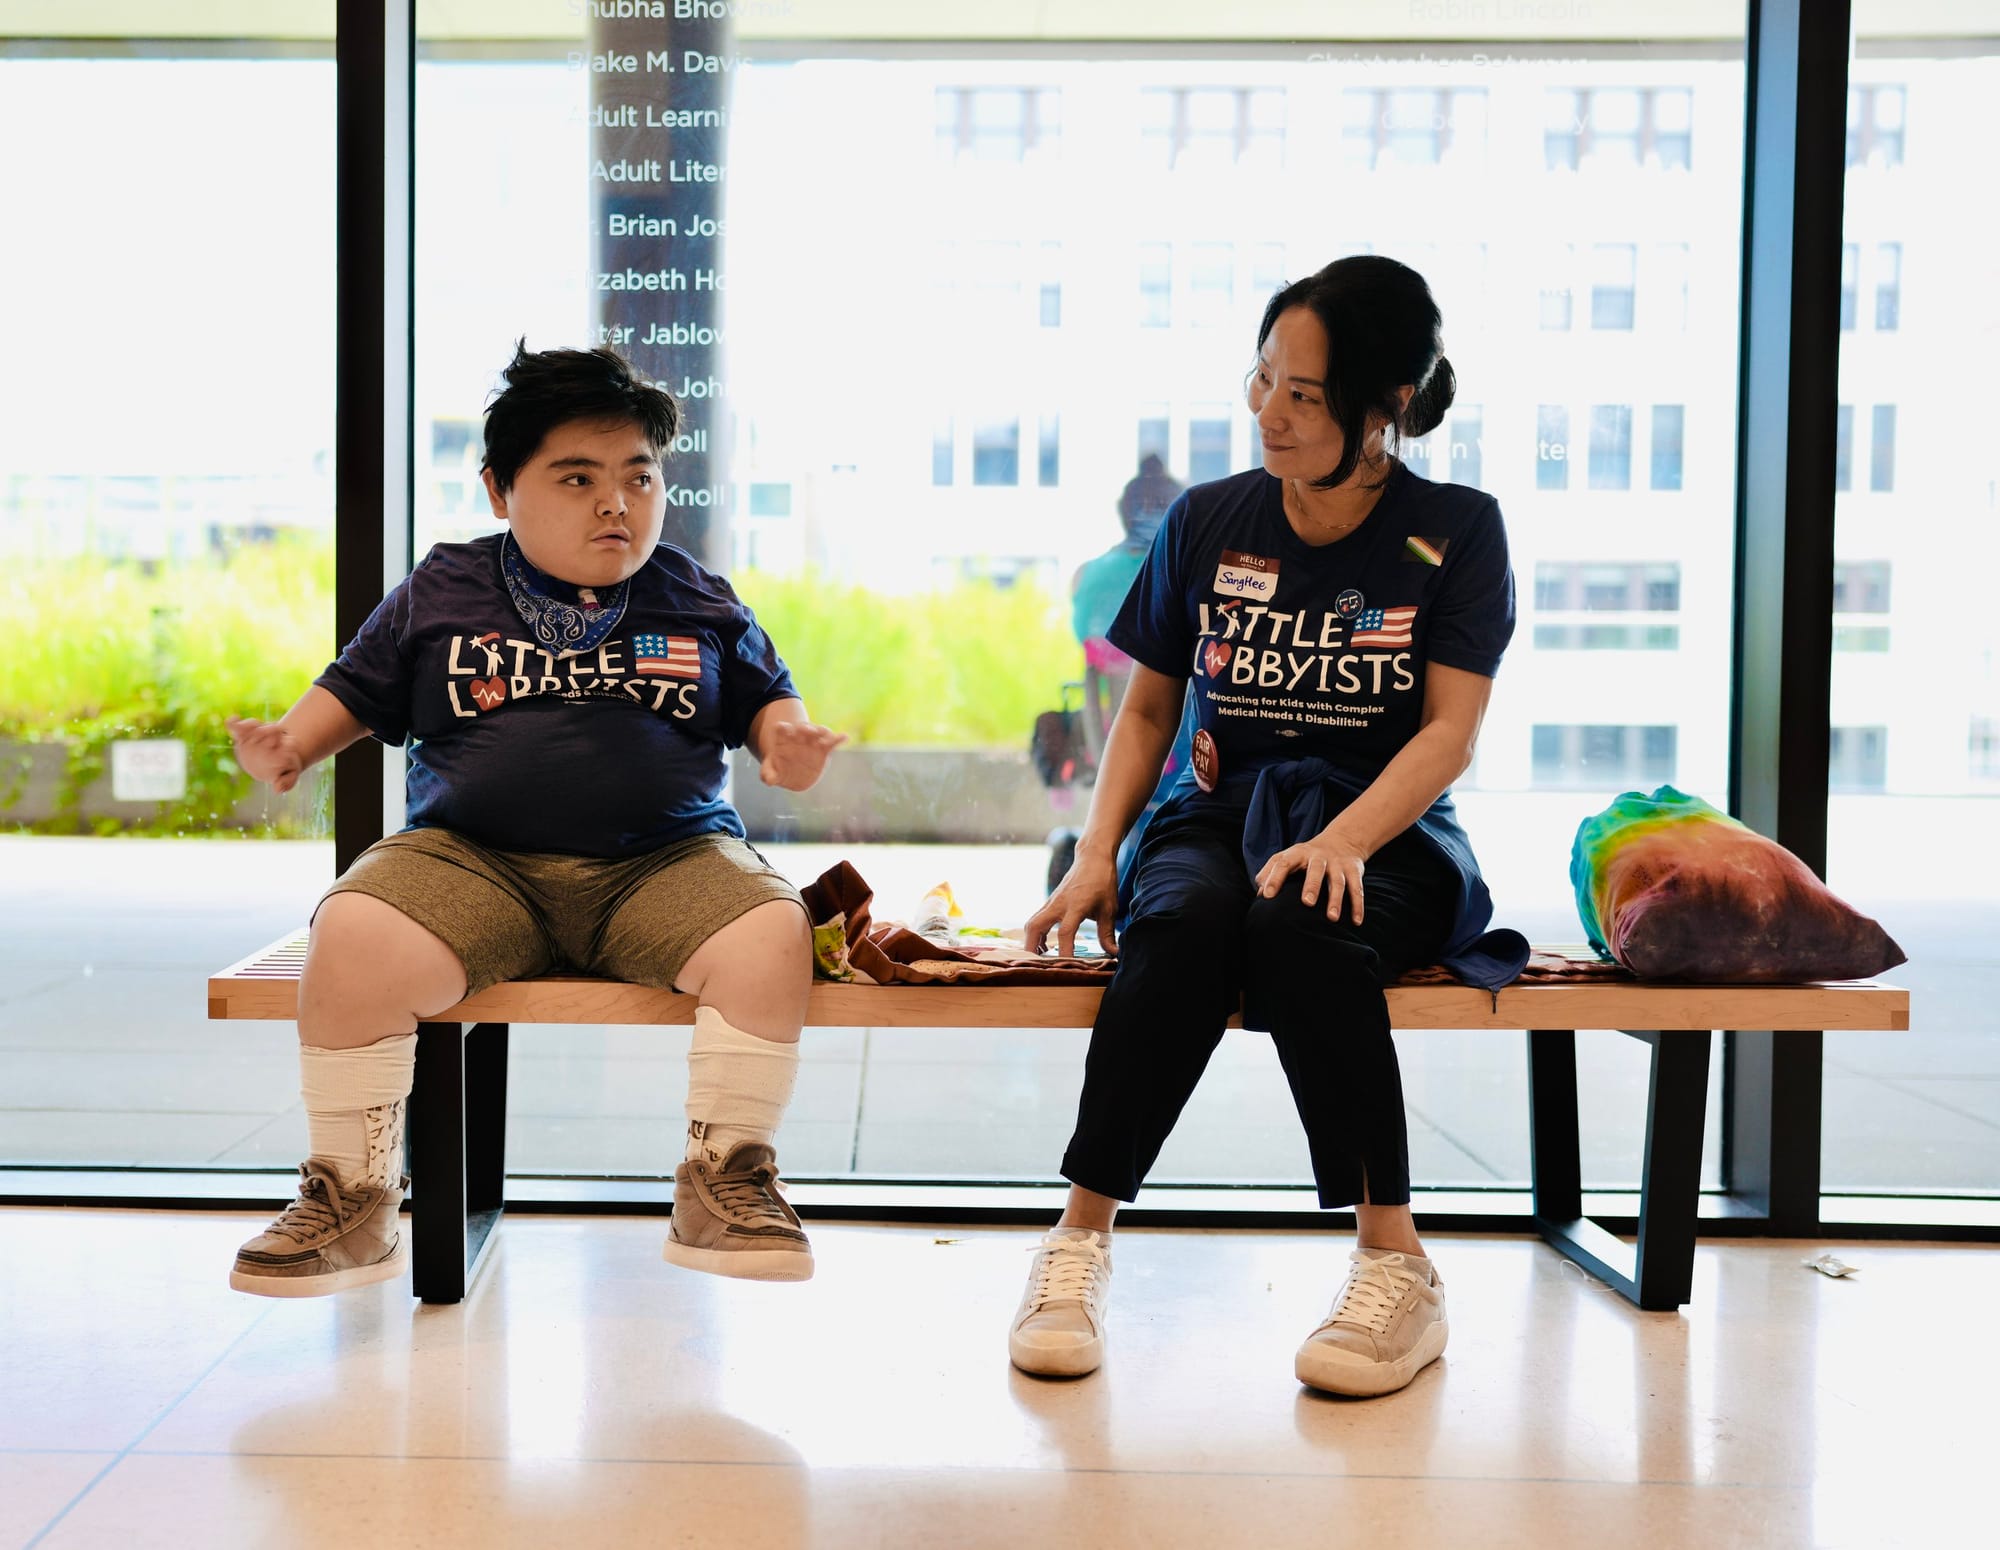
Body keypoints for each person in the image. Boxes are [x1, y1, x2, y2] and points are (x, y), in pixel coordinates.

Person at [225, 343, 844, 1296]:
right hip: (469, 864)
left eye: (640, 478)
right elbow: (354, 685)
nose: (617, 503)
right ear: (500, 490)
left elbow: (769, 699)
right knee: (351, 932)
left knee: (769, 931)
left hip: (667, 865)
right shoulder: (447, 588)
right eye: (578, 477)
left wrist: (785, 742)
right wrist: (293, 745)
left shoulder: (695, 593)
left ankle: (725, 1178)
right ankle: (351, 1198)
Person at [1009, 256, 1523, 1398]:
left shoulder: (1456, 530)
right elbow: (1146, 706)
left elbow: (1446, 732)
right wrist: (1098, 853)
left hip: (1387, 830)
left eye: (1304, 393)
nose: (1268, 411)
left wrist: (1344, 837)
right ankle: (1076, 1239)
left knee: (1296, 919)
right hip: (1214, 811)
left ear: (1384, 406)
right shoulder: (1205, 520)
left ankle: (1395, 1265)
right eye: (1261, 378)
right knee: (1183, 921)